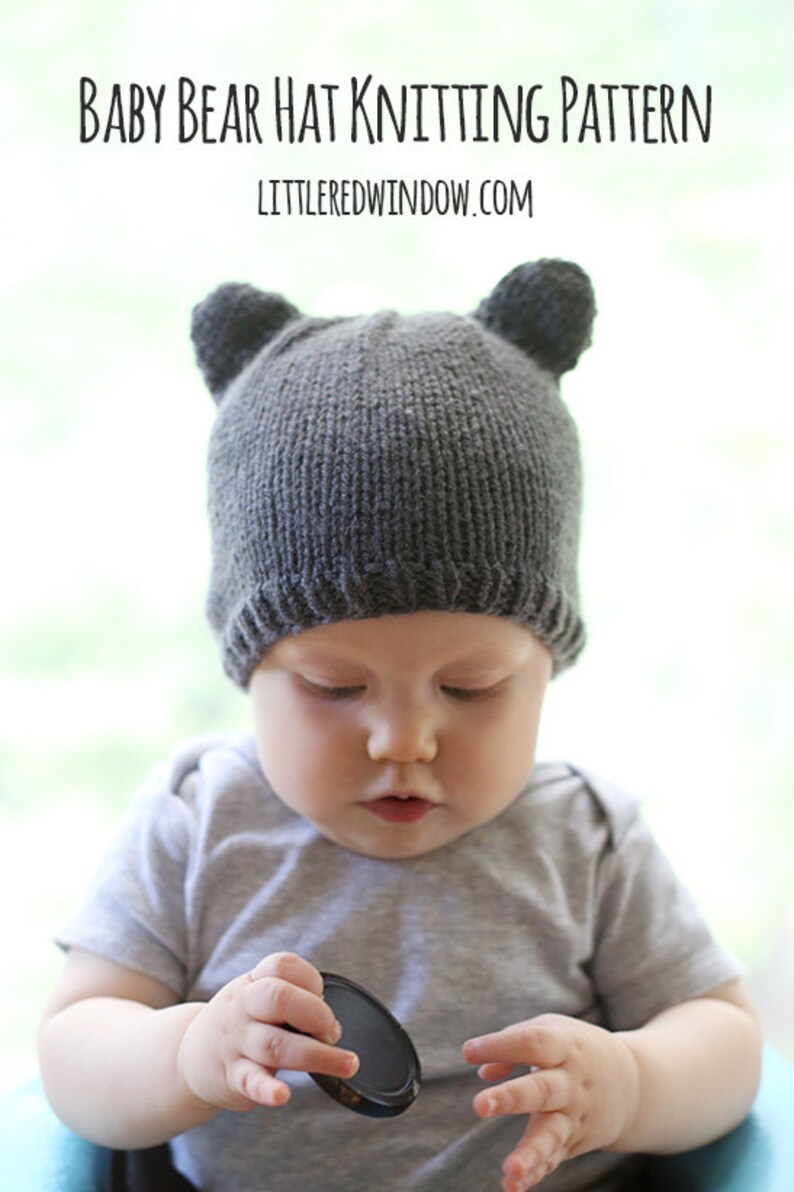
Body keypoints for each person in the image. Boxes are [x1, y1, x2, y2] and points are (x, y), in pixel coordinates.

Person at [38, 260, 762, 1192]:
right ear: (249, 667)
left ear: (547, 667)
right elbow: (72, 1052)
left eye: (472, 687)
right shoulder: (198, 822)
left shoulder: (587, 837)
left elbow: (730, 1044)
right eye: (335, 687)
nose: (404, 740)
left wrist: (633, 1081)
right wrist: (186, 1052)